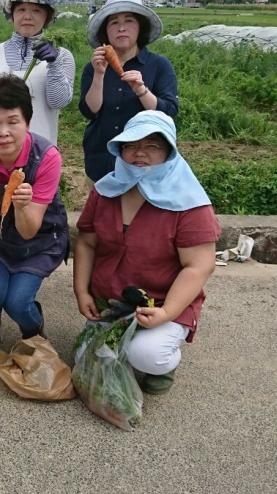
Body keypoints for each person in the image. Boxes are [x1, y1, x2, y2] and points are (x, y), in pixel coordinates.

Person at [73, 110, 219, 395]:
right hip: (111, 301)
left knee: (148, 355)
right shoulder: (106, 191)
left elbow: (199, 266)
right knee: (83, 358)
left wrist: (166, 312)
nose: (140, 153)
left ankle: (164, 363)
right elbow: (86, 243)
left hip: (162, 302)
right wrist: (82, 292)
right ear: (120, 149)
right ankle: (127, 347)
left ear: (170, 151)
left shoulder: (189, 202)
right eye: (132, 145)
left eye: (152, 145)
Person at [0, 76, 69, 377]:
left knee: (18, 303)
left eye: (13, 121)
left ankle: (35, 334)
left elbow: (28, 230)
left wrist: (22, 206)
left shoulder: (46, 158)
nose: (4, 132)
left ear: (28, 122)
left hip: (38, 239)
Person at [79, 0, 178, 186]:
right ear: (105, 31)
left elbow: (169, 112)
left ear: (140, 27)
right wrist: (99, 75)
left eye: (129, 21)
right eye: (114, 22)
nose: (121, 27)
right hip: (102, 159)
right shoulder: (93, 67)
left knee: (143, 215)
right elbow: (89, 111)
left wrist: (141, 90)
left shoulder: (159, 65)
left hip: (145, 163)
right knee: (101, 214)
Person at [0, 0, 75, 145]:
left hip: (40, 151)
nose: (27, 16)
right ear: (12, 13)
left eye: (36, 11)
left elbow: (58, 102)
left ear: (47, 16)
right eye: (21, 9)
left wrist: (55, 64)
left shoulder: (62, 56)